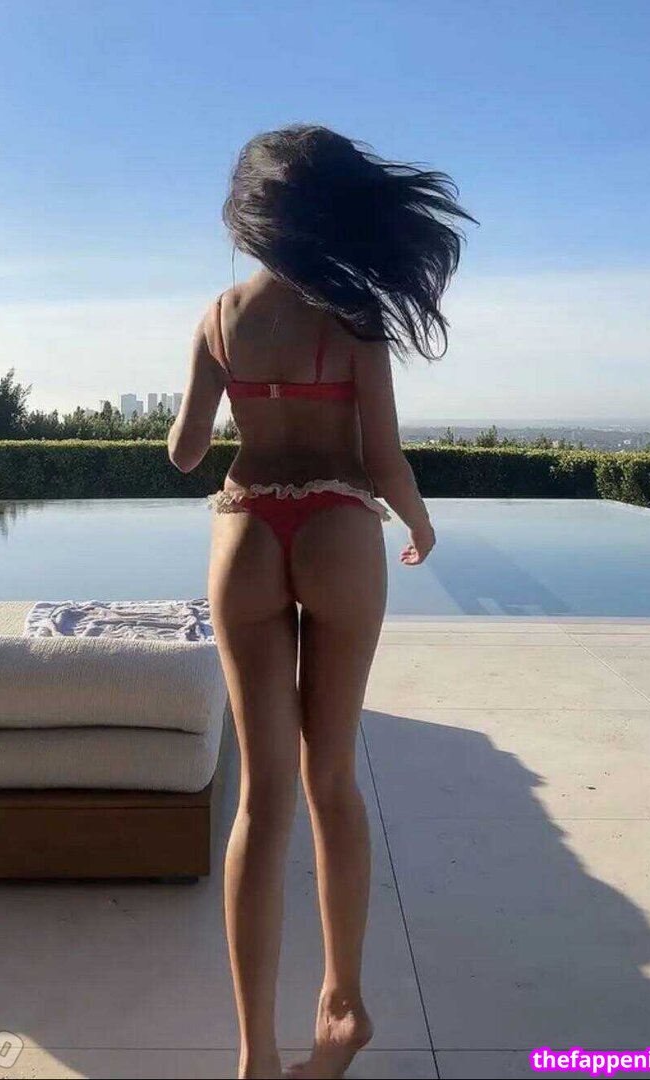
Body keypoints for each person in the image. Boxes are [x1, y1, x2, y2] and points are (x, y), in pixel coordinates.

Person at [168, 124, 473, 1080]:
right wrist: (418, 522)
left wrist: (219, 398)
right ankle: (341, 1006)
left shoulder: (220, 316)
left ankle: (256, 1056)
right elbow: (383, 459)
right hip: (339, 530)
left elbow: (185, 453)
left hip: (248, 533)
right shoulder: (354, 319)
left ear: (251, 219)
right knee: (330, 780)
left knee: (261, 802)